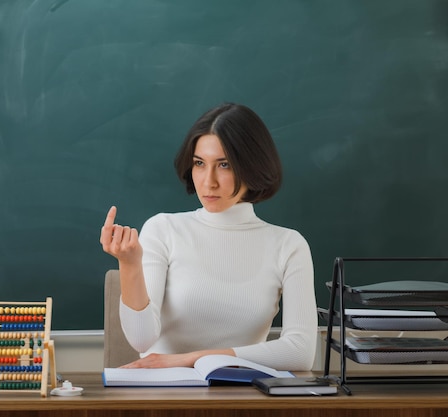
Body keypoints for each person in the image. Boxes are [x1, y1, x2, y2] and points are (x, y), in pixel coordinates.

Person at [99, 103, 317, 371]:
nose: (208, 182)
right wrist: (130, 264)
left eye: (224, 165)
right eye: (199, 164)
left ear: (252, 166)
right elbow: (141, 340)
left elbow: (301, 352)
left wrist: (192, 359)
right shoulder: (163, 229)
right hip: (163, 396)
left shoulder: (289, 245)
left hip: (242, 396)